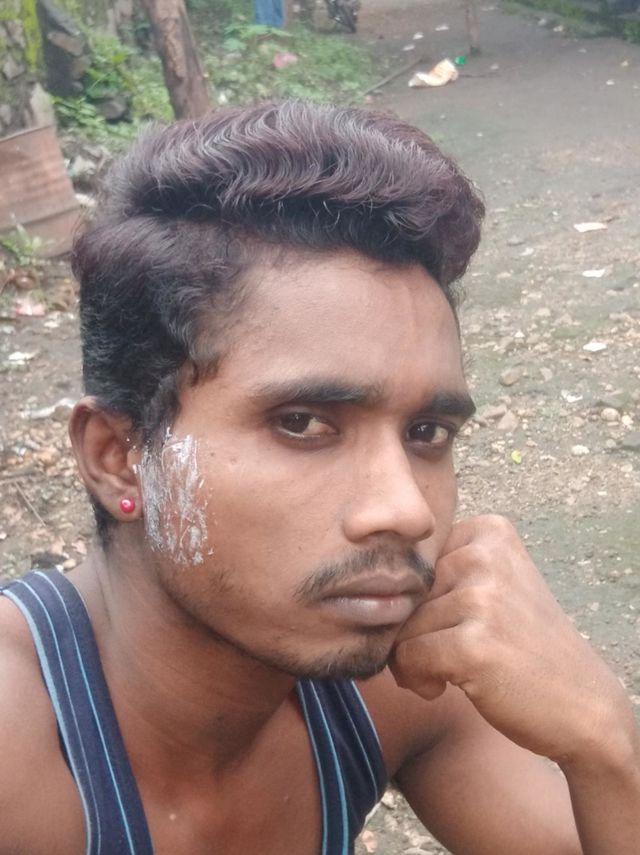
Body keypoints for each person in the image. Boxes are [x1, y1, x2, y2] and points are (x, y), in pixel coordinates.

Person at [0, 100, 638, 855]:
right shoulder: (18, 748)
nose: (405, 510)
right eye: (302, 423)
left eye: (427, 433)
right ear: (116, 455)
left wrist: (605, 741)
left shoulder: (398, 686)